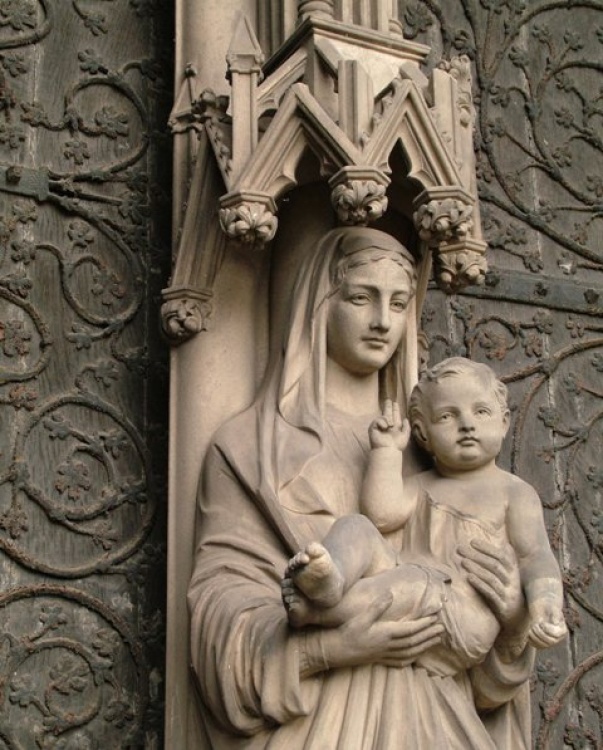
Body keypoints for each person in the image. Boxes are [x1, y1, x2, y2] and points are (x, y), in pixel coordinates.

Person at [188, 227, 535, 749]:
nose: (382, 322)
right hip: (319, 721)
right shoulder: (250, 449)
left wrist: (512, 620)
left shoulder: (441, 456)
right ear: (319, 304)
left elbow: (484, 672)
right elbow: (218, 611)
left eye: (398, 303)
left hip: (438, 716)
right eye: (360, 297)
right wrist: (330, 650)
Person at [282, 358, 567, 664]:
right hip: (409, 581)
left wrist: (546, 604)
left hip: (466, 614)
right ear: (422, 433)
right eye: (447, 416)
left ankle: (319, 612)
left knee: (416, 585)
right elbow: (381, 514)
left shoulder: (514, 492)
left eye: (481, 411)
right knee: (357, 527)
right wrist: (387, 451)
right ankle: (330, 579)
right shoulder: (422, 485)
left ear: (504, 422)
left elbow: (535, 555)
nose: (467, 424)